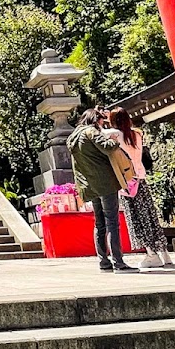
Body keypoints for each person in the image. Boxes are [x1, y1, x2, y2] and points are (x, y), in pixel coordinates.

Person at [68, 107, 137, 273]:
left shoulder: (72, 137)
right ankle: (119, 262)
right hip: (106, 182)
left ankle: (103, 261)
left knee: (99, 223)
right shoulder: (91, 131)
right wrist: (114, 139)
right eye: (101, 121)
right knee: (112, 221)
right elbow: (107, 147)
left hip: (90, 185)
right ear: (95, 119)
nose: (102, 124)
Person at [106, 107, 175, 268]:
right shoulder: (136, 134)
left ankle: (151, 254)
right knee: (150, 215)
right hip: (141, 178)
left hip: (127, 181)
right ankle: (164, 253)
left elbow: (103, 134)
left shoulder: (115, 135)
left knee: (137, 217)